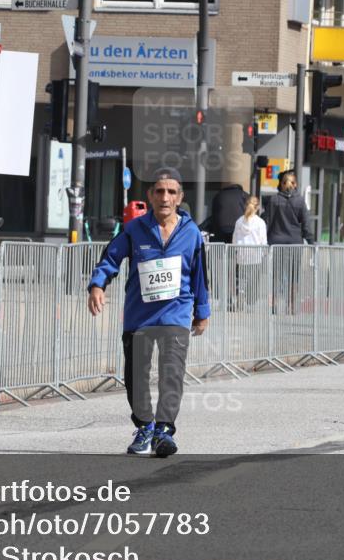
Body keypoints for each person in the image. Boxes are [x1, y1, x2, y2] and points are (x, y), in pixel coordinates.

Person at [88, 167, 210, 457]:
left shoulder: (191, 233)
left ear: (179, 197)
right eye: (159, 191)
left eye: (170, 192)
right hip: (139, 316)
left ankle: (164, 430)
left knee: (172, 374)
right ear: (150, 196)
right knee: (136, 376)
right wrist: (97, 285)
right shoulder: (134, 229)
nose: (164, 197)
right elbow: (110, 259)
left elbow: (200, 276)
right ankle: (144, 426)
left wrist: (202, 311)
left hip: (176, 314)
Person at [232, 195, 267, 305]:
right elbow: (263, 241)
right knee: (253, 280)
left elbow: (235, 239)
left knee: (241, 278)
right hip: (255, 256)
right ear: (257, 207)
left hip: (242, 255)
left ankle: (240, 296)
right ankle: (250, 301)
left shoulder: (239, 221)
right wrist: (264, 254)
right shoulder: (260, 222)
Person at [263, 171, 313, 246]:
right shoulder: (300, 201)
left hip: (276, 242)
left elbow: (267, 221)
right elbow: (306, 224)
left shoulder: (274, 200)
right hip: (295, 243)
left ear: (281, 184)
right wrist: (311, 242)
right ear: (295, 184)